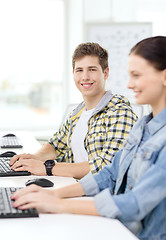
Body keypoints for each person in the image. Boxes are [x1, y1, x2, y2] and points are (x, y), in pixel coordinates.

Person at [12, 36, 166, 239]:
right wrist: (54, 194)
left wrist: (59, 202)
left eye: (136, 75)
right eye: (79, 70)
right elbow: (110, 174)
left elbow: (135, 203)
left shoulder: (124, 113)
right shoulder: (142, 126)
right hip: (116, 223)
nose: (129, 84)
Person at [10, 42, 137, 179]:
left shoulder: (120, 112)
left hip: (100, 196)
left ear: (105, 73)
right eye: (79, 70)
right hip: (75, 188)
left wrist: (47, 168)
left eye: (92, 69)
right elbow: (55, 145)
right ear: (73, 74)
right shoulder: (77, 113)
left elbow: (106, 166)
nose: (85, 77)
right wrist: (34, 158)